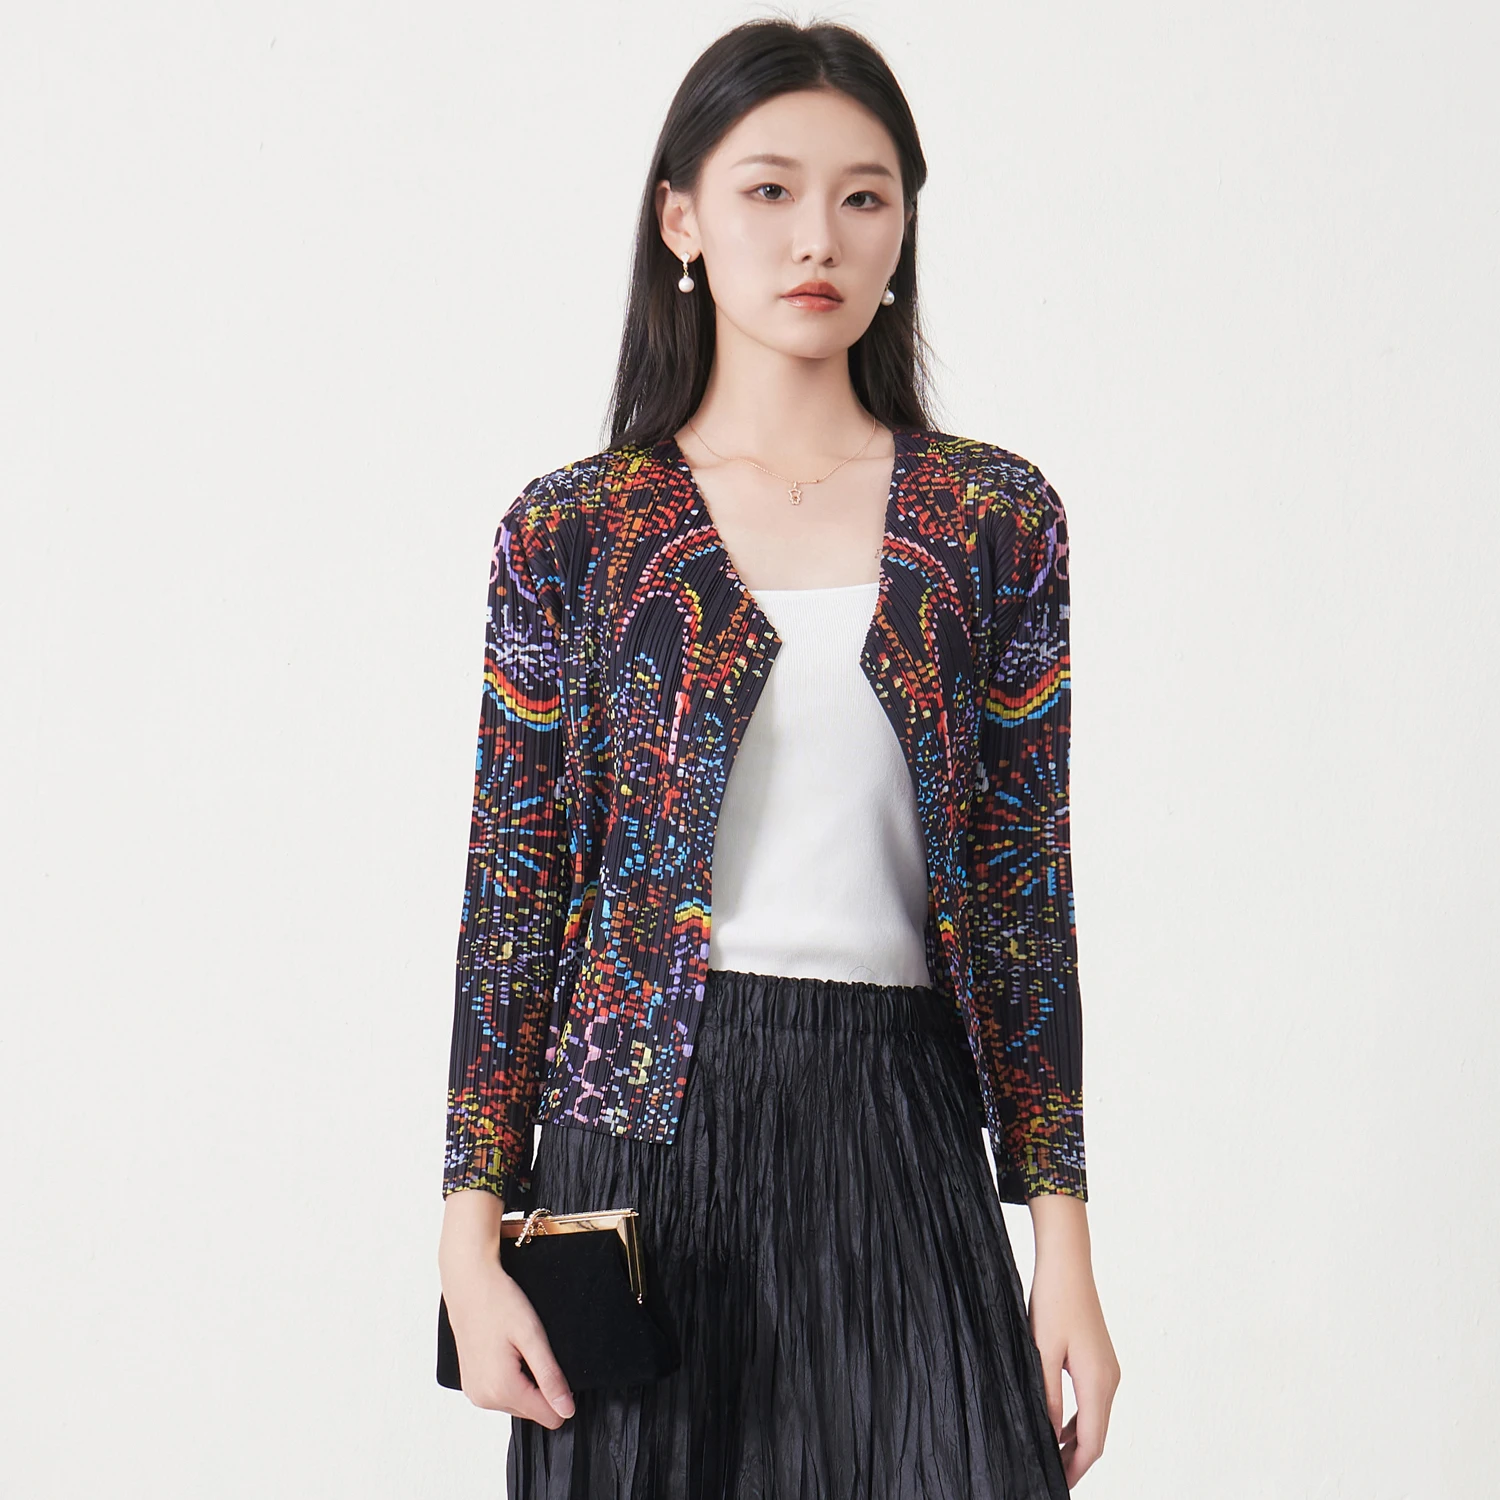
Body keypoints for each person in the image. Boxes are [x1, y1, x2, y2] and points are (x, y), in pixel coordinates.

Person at [436, 18, 1119, 1498]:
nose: (819, 235)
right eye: (768, 190)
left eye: (865, 196)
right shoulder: (573, 531)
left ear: (903, 229)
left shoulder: (996, 521)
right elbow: (515, 891)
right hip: (640, 1146)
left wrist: (1062, 1244)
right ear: (680, 218)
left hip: (902, 1123)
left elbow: (1022, 894)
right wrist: (466, 1237)